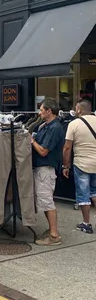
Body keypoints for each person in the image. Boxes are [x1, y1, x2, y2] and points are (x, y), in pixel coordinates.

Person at [31, 98, 64, 246]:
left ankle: (54, 235)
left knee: (47, 202)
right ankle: (51, 230)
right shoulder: (46, 125)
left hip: (46, 169)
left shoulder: (55, 128)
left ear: (49, 111)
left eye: (42, 110)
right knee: (45, 202)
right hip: (43, 168)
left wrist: (31, 141)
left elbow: (43, 151)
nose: (39, 113)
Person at [63, 99, 96, 234]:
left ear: (78, 110)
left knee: (83, 194)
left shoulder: (74, 124)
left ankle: (86, 223)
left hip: (81, 163)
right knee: (94, 192)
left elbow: (67, 148)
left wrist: (66, 165)